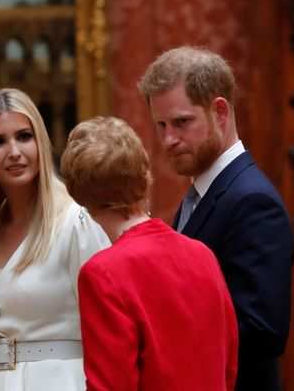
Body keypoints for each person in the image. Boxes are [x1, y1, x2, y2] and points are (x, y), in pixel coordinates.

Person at [138, 46, 294, 391]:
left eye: (181, 122)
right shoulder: (201, 195)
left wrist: (159, 334)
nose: (168, 139)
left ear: (220, 112)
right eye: (160, 125)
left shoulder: (252, 200)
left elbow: (262, 331)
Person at [60, 116, 238, 391]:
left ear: (79, 195)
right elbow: (227, 363)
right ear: (144, 175)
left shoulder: (102, 274)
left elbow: (110, 384)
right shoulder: (201, 253)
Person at [0, 88, 109, 390]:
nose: (14, 151)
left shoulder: (76, 224)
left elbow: (109, 330)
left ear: (40, 142)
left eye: (24, 136)